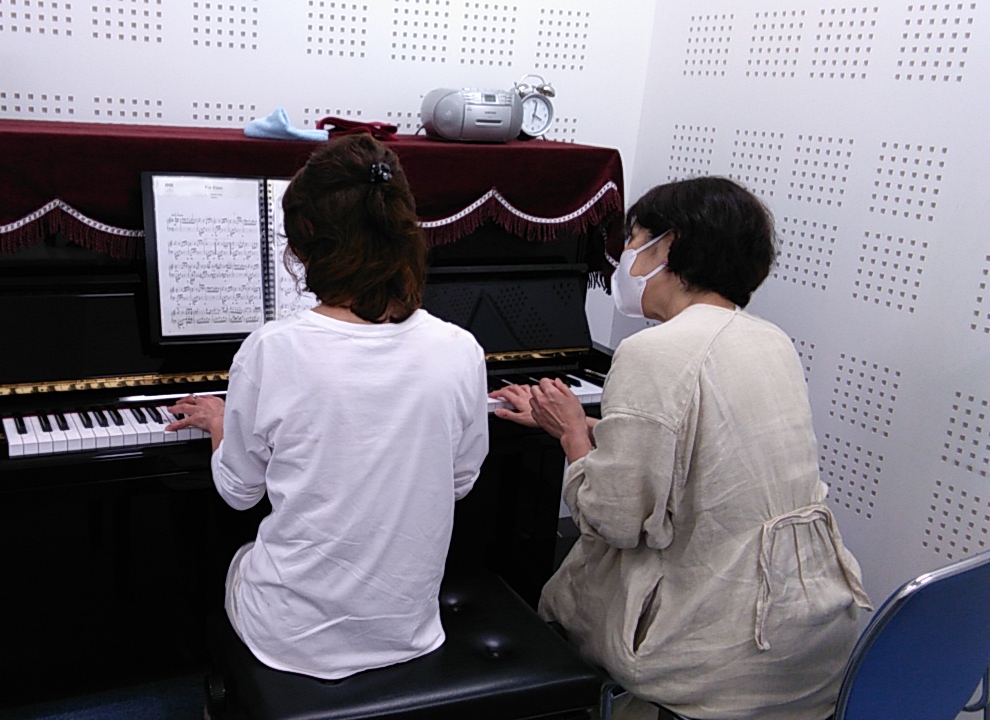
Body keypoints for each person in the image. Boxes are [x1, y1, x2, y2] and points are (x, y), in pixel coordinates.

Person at [490, 176, 871, 720]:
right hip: (809, 641)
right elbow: (697, 450)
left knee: (559, 586)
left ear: (668, 245)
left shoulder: (655, 351)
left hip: (715, 658)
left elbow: (613, 520)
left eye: (632, 240)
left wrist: (574, 435)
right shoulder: (771, 340)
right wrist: (576, 424)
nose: (624, 258)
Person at [167, 134, 490, 680]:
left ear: (304, 244)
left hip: (292, 640)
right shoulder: (460, 349)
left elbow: (239, 492)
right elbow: (460, 481)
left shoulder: (272, 350)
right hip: (408, 628)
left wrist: (221, 423)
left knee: (239, 560)